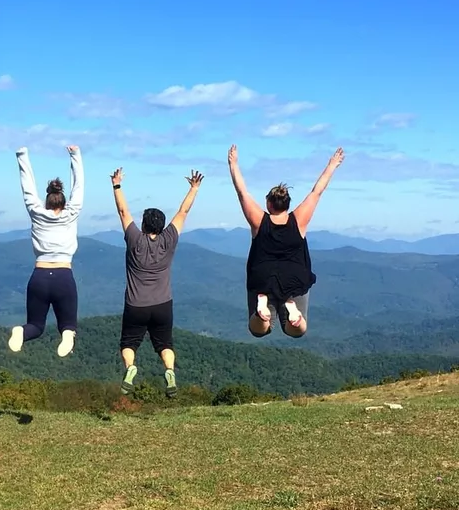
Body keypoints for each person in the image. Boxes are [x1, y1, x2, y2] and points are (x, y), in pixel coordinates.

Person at [228, 144, 344, 338]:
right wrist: (332, 165)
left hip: (263, 279)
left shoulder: (259, 221)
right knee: (297, 331)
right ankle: (295, 316)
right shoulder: (298, 220)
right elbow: (317, 192)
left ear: (269, 204)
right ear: (287, 204)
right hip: (295, 278)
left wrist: (233, 164)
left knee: (258, 330)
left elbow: (242, 193)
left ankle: (261, 314)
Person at [111, 166, 204, 398]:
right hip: (163, 304)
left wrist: (116, 184)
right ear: (161, 226)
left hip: (136, 304)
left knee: (129, 344)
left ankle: (131, 368)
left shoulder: (134, 239)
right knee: (165, 345)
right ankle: (170, 371)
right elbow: (183, 213)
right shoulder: (169, 239)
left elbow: (123, 211)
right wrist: (194, 188)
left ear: (143, 225)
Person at [8, 145, 84, 357]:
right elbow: (79, 187)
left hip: (39, 277)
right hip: (63, 276)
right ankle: (68, 336)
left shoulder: (36, 212)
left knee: (35, 326)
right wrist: (75, 155)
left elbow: (28, 188)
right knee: (68, 325)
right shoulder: (71, 213)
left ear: (46, 200)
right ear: (63, 200)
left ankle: (20, 333)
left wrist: (22, 156)